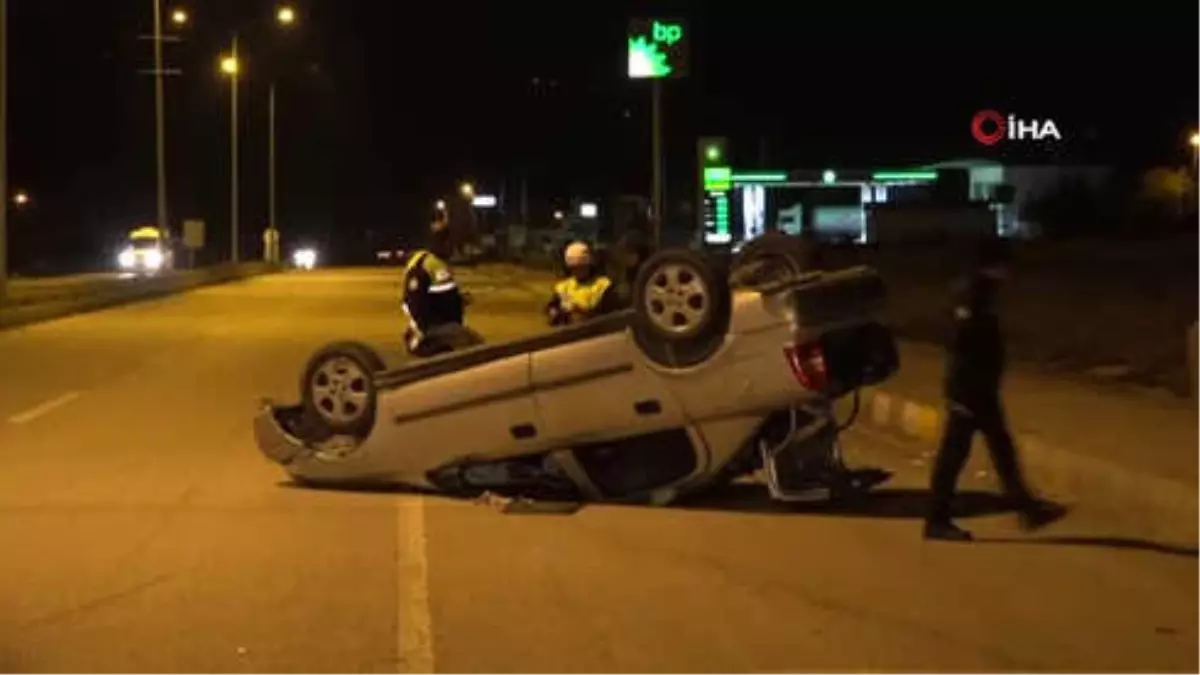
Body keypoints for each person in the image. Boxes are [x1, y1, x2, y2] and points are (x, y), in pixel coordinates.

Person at [925, 239, 1067, 542]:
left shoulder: (979, 290)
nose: (1010, 273)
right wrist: (967, 387)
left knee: (1001, 450)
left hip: (979, 387)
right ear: (994, 265)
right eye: (1006, 266)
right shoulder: (973, 293)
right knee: (955, 455)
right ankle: (937, 520)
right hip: (969, 388)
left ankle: (1027, 509)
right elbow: (964, 341)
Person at [402, 220, 467, 356]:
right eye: (451, 243)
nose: (454, 248)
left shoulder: (440, 262)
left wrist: (459, 299)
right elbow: (414, 302)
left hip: (446, 327)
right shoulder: (423, 264)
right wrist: (425, 331)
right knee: (476, 351)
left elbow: (443, 296)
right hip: (432, 331)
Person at [546, 241, 620, 326]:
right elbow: (551, 312)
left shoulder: (604, 286)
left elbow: (609, 318)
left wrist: (581, 312)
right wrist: (554, 313)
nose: (577, 271)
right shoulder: (563, 287)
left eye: (581, 267)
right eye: (574, 268)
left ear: (589, 265)